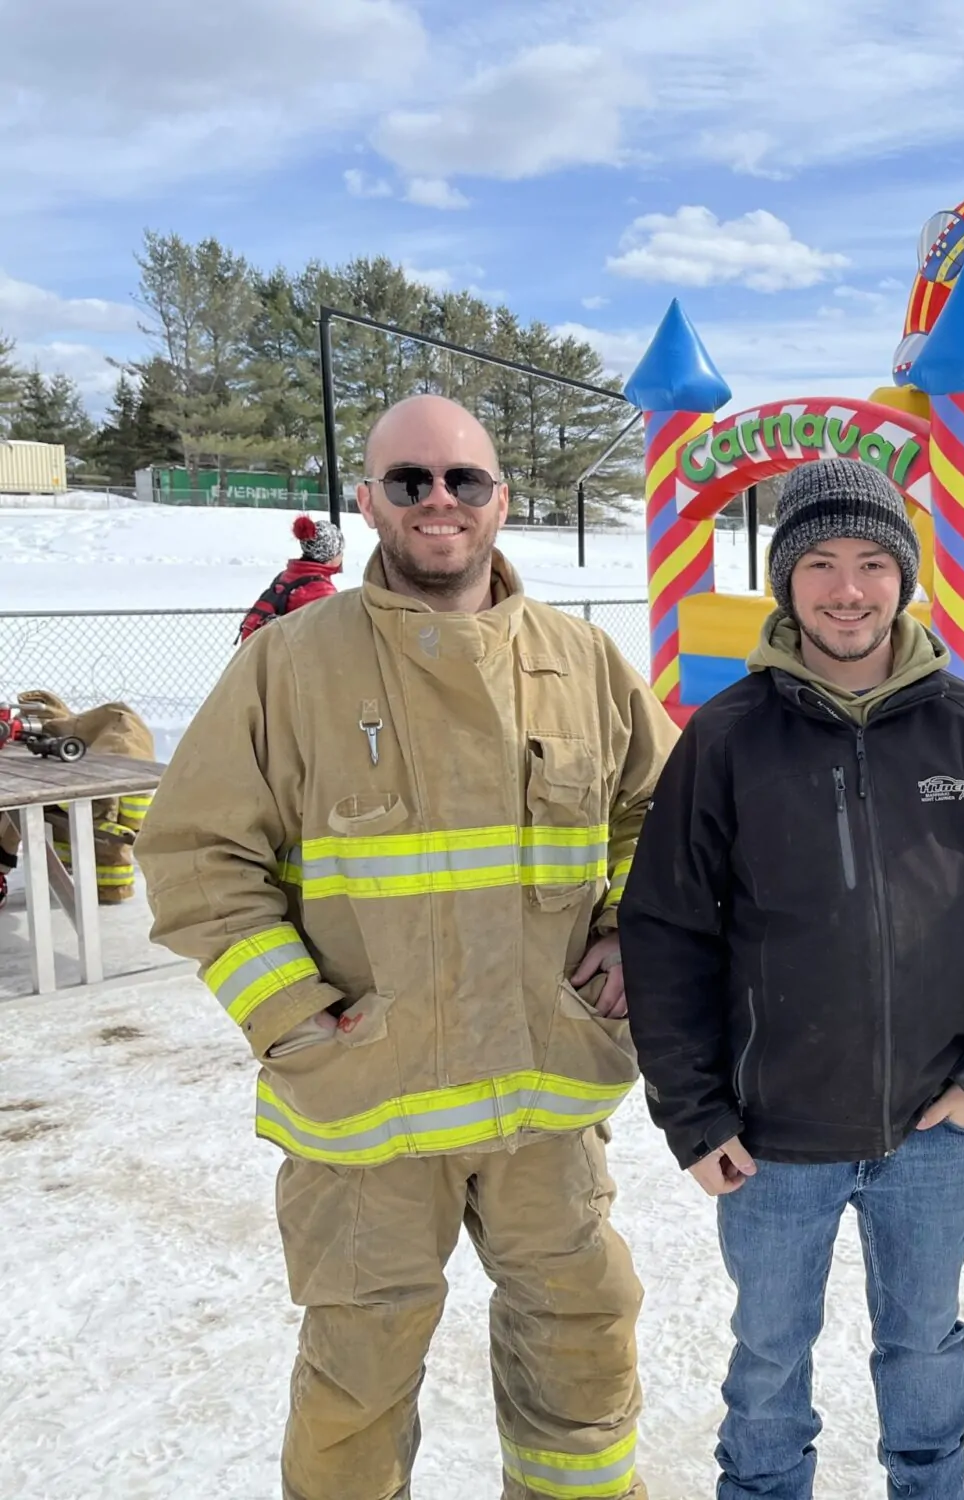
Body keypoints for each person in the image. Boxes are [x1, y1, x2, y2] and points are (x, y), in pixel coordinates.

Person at [136, 395, 673, 1500]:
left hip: (546, 1102)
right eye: (409, 481)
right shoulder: (288, 666)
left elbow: (663, 819)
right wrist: (292, 1012)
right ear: (367, 499)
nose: (439, 502)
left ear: (501, 499)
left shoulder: (581, 661)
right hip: (363, 1110)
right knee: (356, 1384)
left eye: (463, 480)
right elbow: (195, 854)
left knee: (583, 1342)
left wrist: (626, 930)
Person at [620, 458, 964, 1500]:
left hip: (935, 1127)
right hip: (772, 1137)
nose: (847, 588)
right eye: (819, 562)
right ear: (785, 582)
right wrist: (693, 1113)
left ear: (904, 579)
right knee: (769, 1362)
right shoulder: (726, 739)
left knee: (924, 1348)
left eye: (872, 561)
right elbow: (666, 931)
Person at [0, 690, 156, 908]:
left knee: (20, 803)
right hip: (111, 842)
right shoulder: (116, 735)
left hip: (106, 829)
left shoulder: (115, 740)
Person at [240, 513, 345, 642]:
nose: (341, 556)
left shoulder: (287, 576)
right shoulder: (321, 590)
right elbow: (332, 638)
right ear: (330, 555)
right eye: (340, 552)